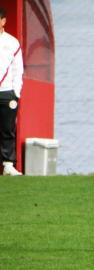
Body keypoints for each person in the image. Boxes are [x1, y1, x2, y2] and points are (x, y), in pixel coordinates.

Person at [0, 7, 23, 176]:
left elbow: (18, 70)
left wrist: (16, 93)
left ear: (3, 21)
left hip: (6, 92)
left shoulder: (12, 42)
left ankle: (8, 165)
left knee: (7, 129)